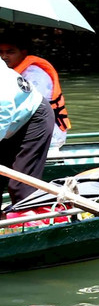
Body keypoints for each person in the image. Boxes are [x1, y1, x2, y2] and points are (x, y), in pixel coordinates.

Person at [0, 37, 70, 149]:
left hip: (44, 134)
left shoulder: (34, 74)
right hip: (19, 130)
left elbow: (26, 110)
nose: (3, 57)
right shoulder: (9, 72)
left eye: (10, 52)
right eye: (0, 52)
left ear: (23, 53)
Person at [0, 63, 54, 206]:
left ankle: (29, 222)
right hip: (10, 124)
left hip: (33, 118)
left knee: (21, 187)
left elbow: (3, 112)